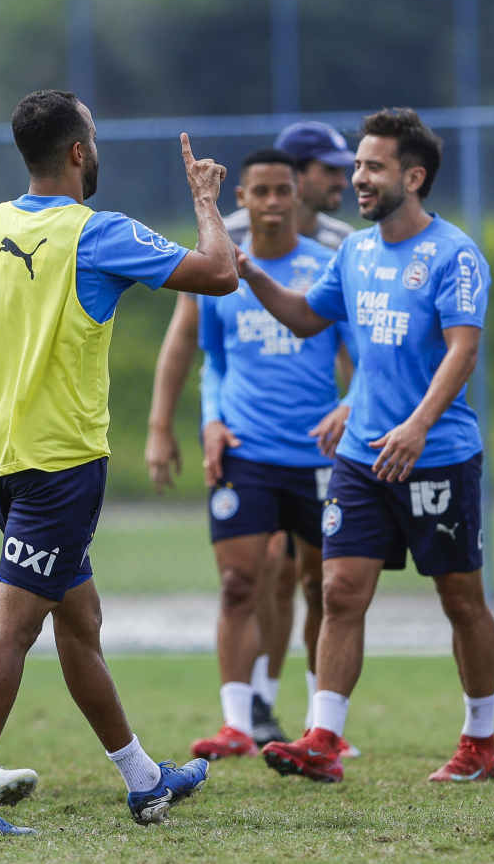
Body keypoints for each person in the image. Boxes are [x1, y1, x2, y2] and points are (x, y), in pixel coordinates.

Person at [0, 89, 238, 837]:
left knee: (80, 620)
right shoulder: (98, 234)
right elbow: (219, 271)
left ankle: (143, 779)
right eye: (93, 138)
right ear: (78, 151)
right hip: (59, 466)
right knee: (13, 628)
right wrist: (205, 200)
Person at [247, 108, 494, 784]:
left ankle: (480, 740)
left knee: (461, 600)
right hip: (362, 457)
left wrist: (417, 425)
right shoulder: (354, 253)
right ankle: (323, 738)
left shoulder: (454, 254)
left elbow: (463, 350)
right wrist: (251, 273)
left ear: (413, 178)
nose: (357, 177)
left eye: (373, 166)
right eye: (356, 165)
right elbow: (306, 316)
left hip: (437, 455)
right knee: (340, 592)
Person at [145, 120, 356, 744]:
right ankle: (237, 723)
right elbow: (212, 358)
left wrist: (352, 407)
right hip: (246, 451)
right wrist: (205, 420)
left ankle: (320, 726)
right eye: (259, 191)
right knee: (240, 583)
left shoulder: (329, 265)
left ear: (297, 194)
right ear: (242, 197)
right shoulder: (222, 267)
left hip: (317, 454)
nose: (271, 201)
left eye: (281, 190)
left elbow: (360, 356)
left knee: (322, 586)